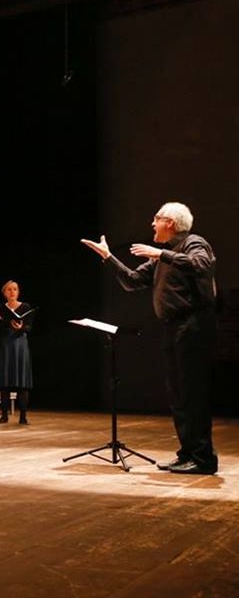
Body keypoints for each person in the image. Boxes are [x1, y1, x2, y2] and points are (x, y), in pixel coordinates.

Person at [82, 202, 218, 475]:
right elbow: (131, 280)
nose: (151, 224)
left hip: (193, 327)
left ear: (170, 222)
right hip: (173, 329)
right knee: (179, 395)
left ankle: (203, 459)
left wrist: (160, 255)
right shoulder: (163, 255)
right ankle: (188, 454)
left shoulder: (193, 242)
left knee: (192, 394)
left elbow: (202, 265)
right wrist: (109, 257)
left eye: (155, 219)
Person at [0, 281, 34, 425]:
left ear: (18, 292)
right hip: (6, 343)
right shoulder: (1, 308)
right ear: (4, 293)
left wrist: (21, 327)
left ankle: (23, 416)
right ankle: (4, 415)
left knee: (22, 382)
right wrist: (6, 324)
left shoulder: (25, 307)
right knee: (5, 382)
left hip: (20, 344)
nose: (12, 292)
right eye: (9, 290)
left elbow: (30, 327)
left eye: (15, 289)